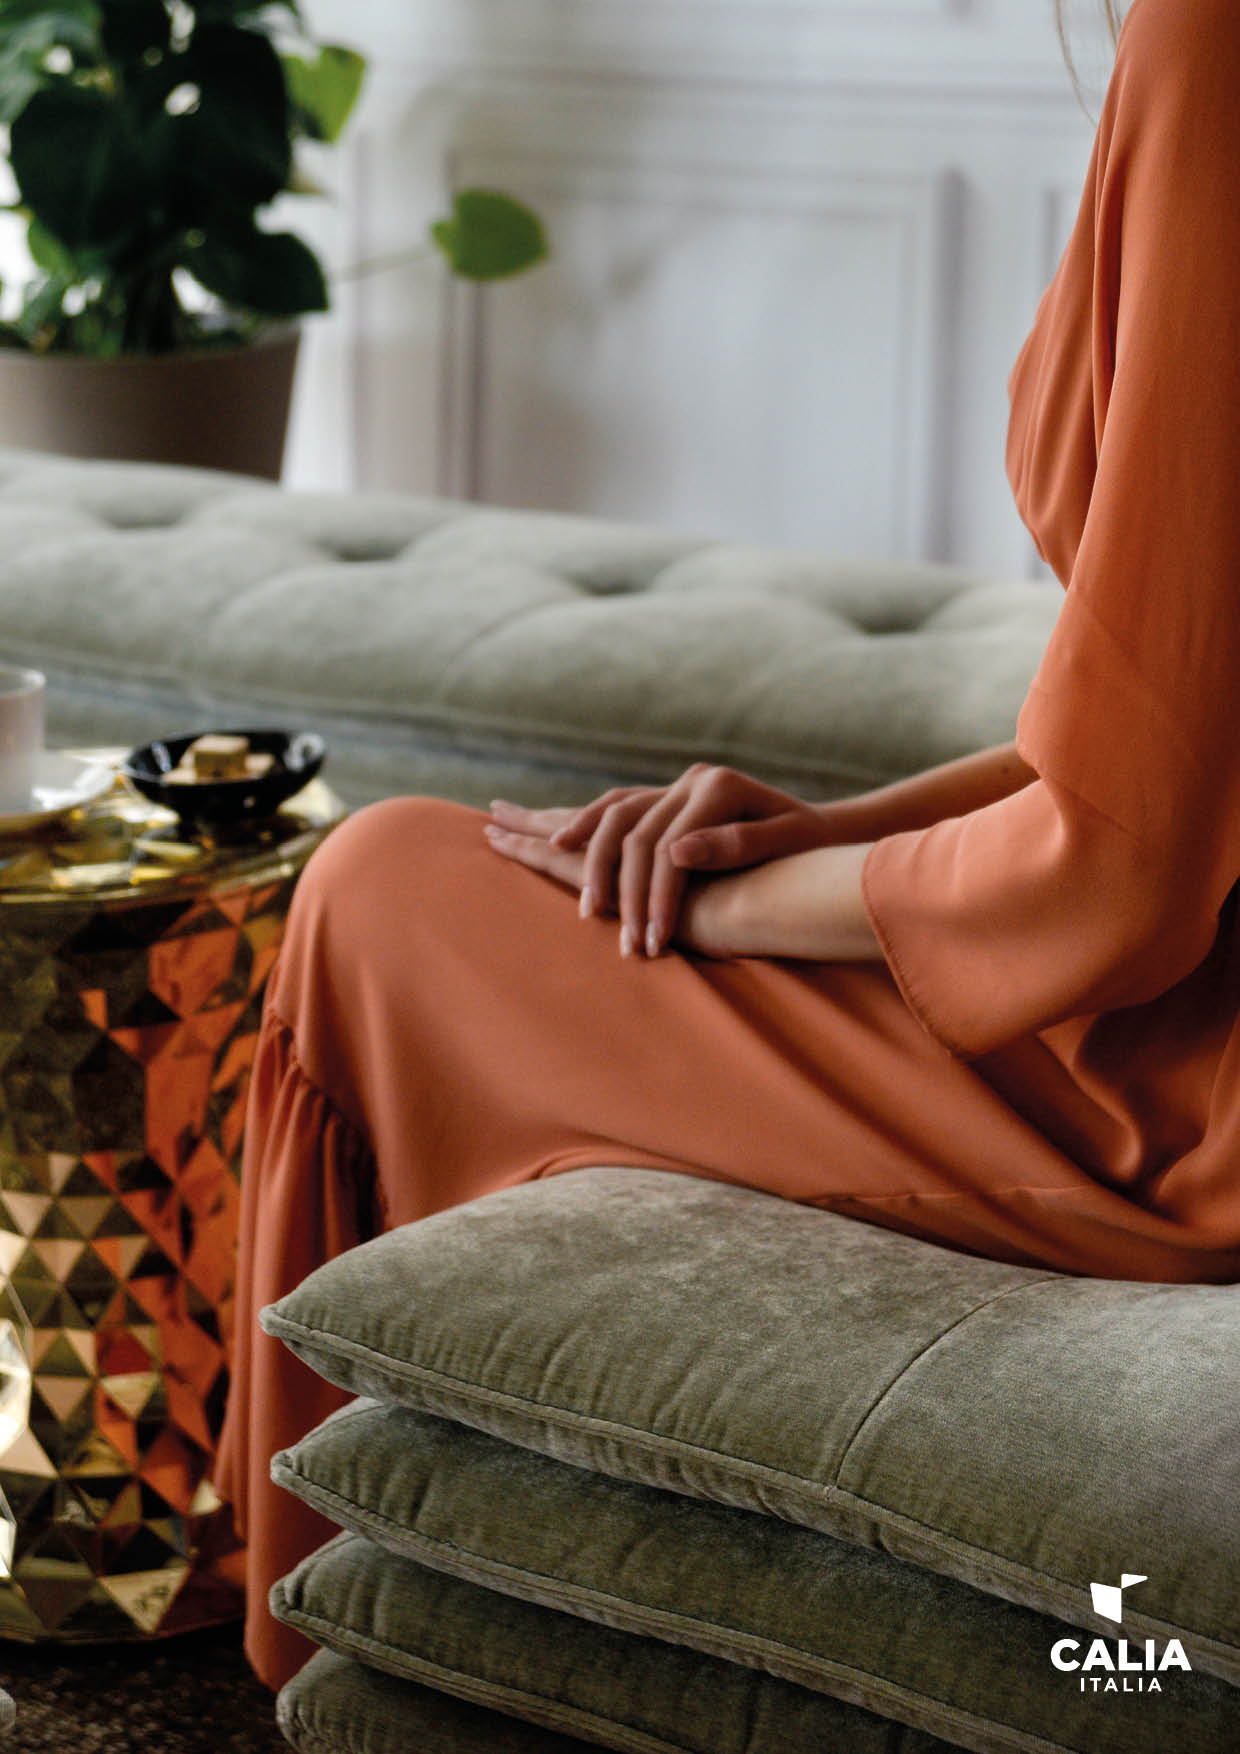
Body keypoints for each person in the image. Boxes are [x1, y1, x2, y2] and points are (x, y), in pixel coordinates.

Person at [215, 0, 1240, 1691]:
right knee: (426, 889)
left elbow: (1122, 869)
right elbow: (1184, 735)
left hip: (1187, 1101)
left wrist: (742, 904)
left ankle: (290, 1671)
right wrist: (842, 831)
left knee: (379, 899)